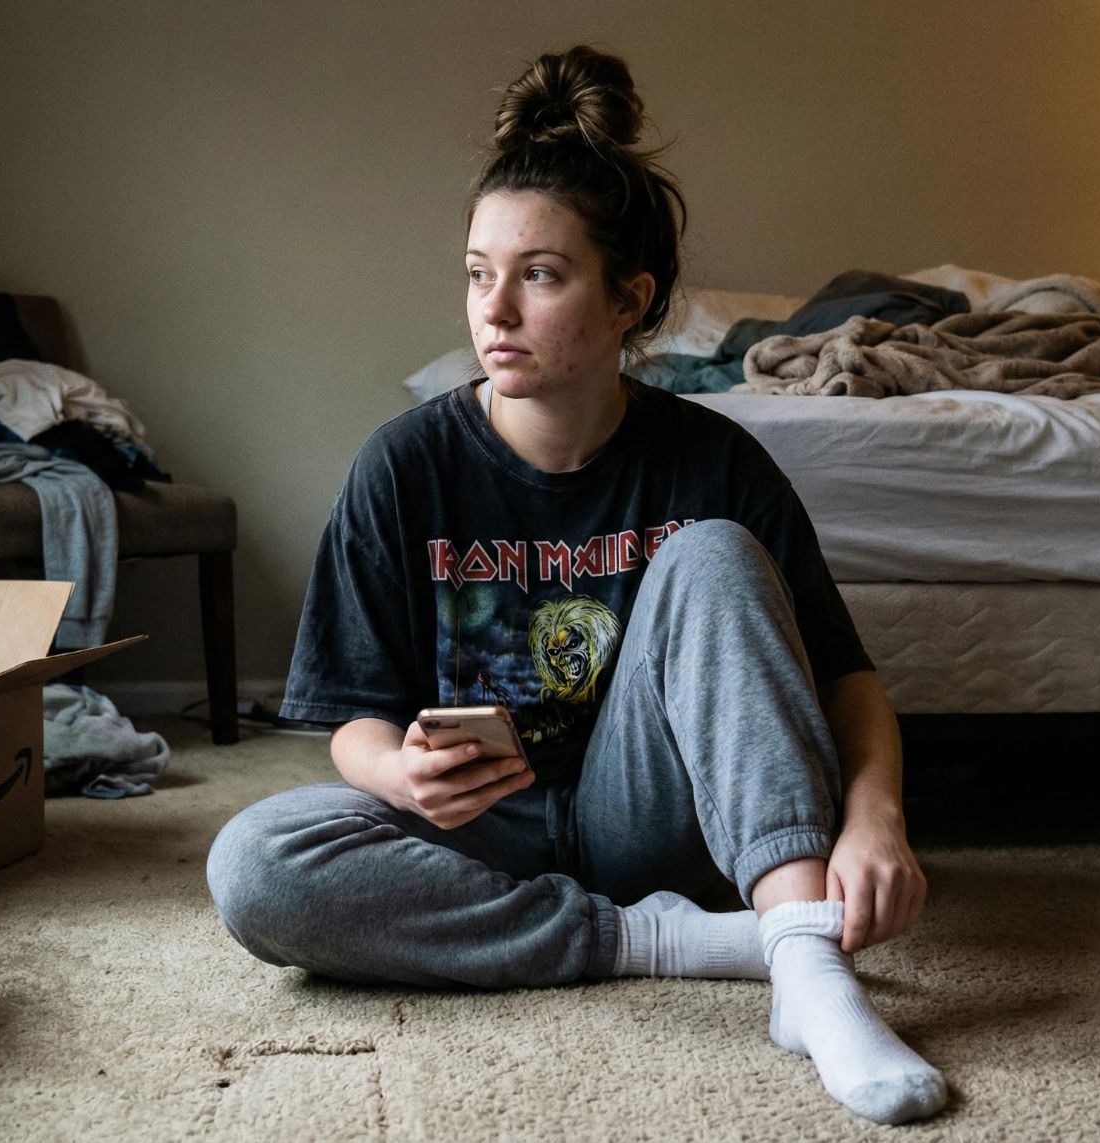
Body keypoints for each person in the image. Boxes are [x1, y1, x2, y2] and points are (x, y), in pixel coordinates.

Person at [206, 45, 946, 1126]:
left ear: (627, 298)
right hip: (483, 831)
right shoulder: (404, 466)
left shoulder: (712, 461)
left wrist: (876, 822)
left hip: (657, 816)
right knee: (255, 865)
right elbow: (352, 720)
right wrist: (400, 775)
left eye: (540, 275)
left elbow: (844, 677)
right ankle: (676, 941)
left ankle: (806, 967)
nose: (494, 310)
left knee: (710, 550)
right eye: (478, 273)